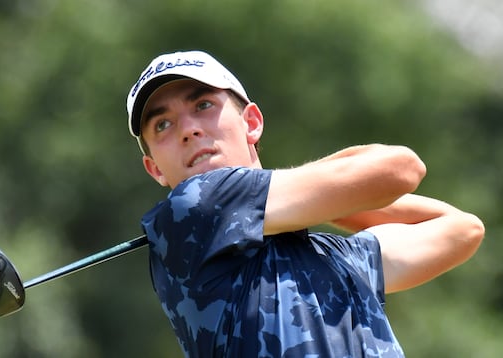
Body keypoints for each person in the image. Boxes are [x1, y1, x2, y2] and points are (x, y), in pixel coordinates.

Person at [125, 50, 485, 357]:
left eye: (203, 105)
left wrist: (322, 201)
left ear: (251, 122)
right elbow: (401, 169)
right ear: (154, 168)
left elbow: (463, 228)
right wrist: (327, 194)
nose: (188, 129)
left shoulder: (336, 259)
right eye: (162, 125)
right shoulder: (190, 208)